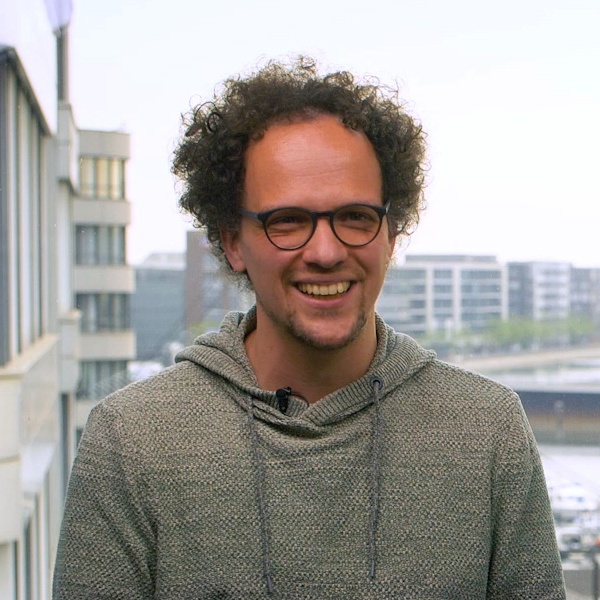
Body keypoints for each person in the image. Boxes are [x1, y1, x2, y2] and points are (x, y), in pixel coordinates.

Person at [53, 57, 566, 599]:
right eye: (288, 221)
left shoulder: (488, 432)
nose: (326, 252)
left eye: (356, 217)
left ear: (391, 233)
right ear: (232, 241)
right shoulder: (132, 442)